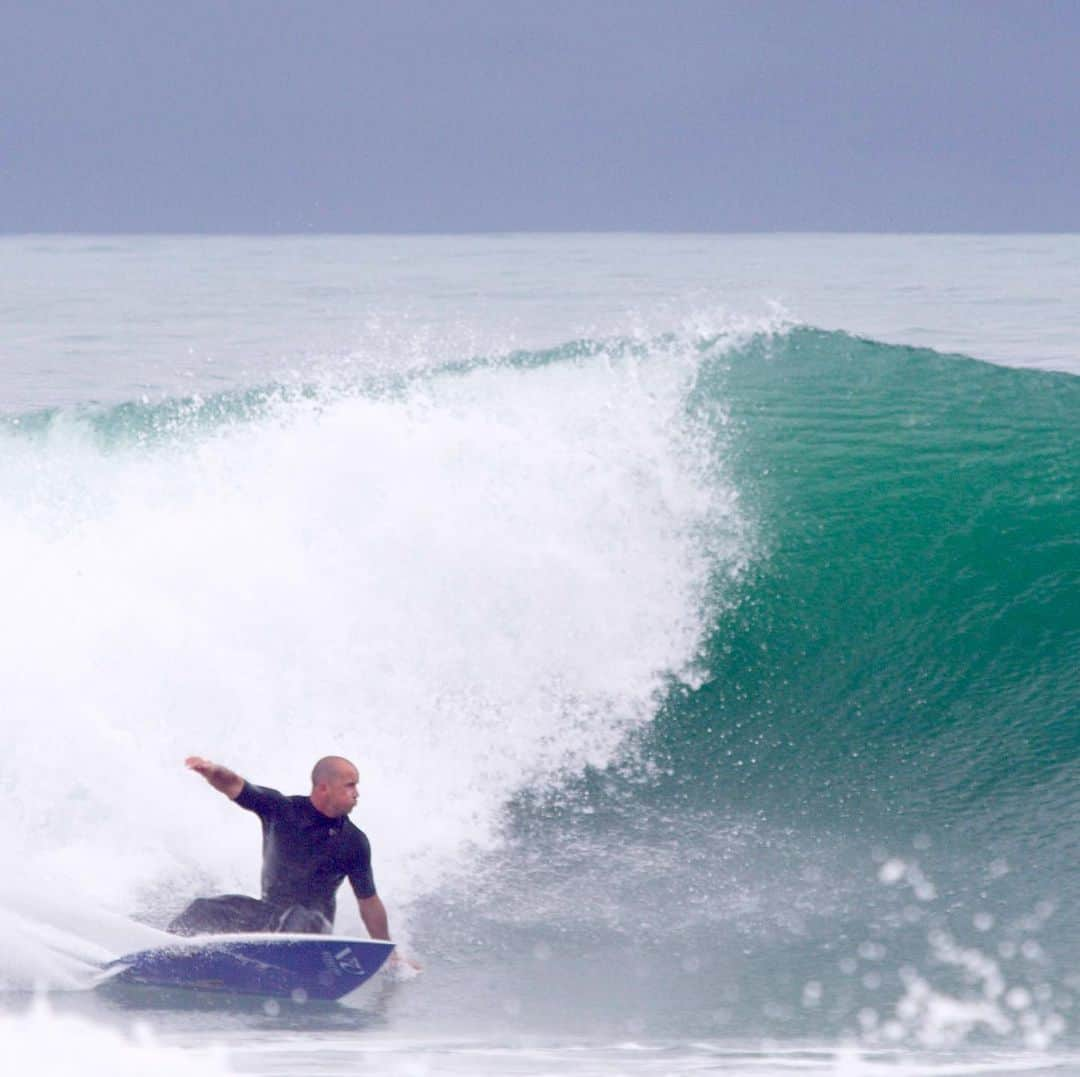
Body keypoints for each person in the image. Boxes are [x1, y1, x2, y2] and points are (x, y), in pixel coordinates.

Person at [169, 755, 392, 942]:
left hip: (314, 931)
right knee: (204, 909)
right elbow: (235, 785)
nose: (357, 792)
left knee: (296, 918)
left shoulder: (353, 842)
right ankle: (167, 951)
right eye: (350, 785)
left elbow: (369, 902)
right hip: (270, 919)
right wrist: (211, 771)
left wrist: (385, 949)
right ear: (324, 788)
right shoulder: (282, 810)